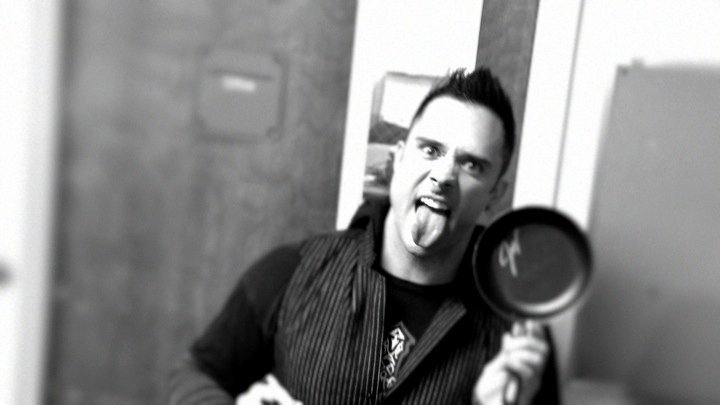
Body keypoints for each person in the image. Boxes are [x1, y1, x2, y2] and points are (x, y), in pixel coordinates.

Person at [168, 67, 559, 404]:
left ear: (495, 195)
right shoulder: (291, 272)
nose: (443, 176)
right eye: (430, 150)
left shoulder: (517, 342)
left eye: (471, 164)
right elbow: (197, 374)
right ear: (398, 158)